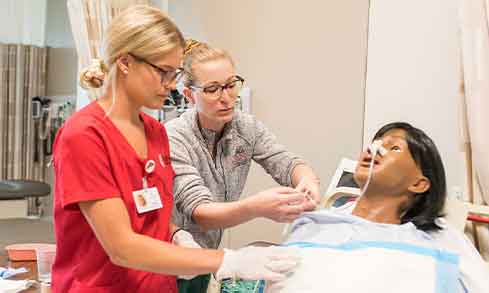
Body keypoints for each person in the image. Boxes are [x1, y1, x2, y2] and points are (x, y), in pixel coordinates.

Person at [51, 6, 300, 293]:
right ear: (125, 62)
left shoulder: (154, 132)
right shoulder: (85, 136)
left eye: (175, 73)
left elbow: (151, 215)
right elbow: (121, 247)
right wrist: (227, 260)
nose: (170, 85)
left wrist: (176, 233)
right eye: (164, 73)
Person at [165, 41, 320, 292]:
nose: (226, 98)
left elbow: (285, 162)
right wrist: (256, 207)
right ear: (189, 95)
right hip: (172, 260)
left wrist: (307, 181)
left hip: (207, 258)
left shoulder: (245, 128)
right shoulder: (174, 138)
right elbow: (200, 212)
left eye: (230, 85)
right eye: (212, 89)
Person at [281, 122, 488, 293]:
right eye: (375, 143)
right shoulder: (313, 225)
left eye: (394, 147)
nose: (374, 149)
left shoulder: (441, 240)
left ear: (418, 184)